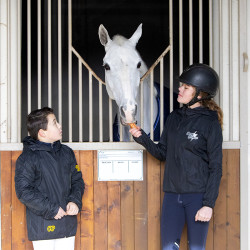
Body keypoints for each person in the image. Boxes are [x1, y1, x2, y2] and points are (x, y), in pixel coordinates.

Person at [129, 64, 223, 250]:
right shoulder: (174, 117)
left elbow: (216, 167)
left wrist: (208, 205)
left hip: (197, 197)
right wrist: (143, 139)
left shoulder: (210, 122)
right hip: (172, 196)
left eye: (186, 87)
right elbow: (163, 153)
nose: (179, 89)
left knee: (196, 248)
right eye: (181, 85)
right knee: (168, 248)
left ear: (200, 94)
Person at [15, 107, 85, 250]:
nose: (60, 126)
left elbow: (77, 180)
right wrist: (52, 209)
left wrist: (75, 201)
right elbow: (23, 191)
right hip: (43, 226)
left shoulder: (67, 153)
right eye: (54, 123)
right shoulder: (28, 158)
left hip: (67, 225)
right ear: (42, 132)